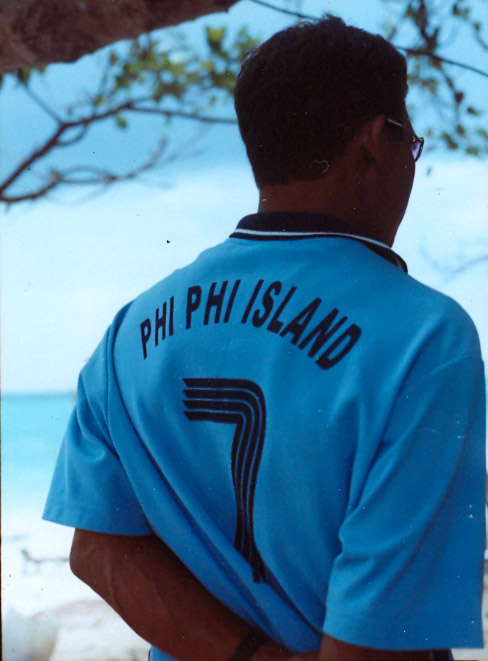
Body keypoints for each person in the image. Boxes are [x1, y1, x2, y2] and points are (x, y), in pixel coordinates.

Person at [43, 16, 486, 661]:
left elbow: (99, 548)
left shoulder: (130, 332)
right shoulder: (425, 339)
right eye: (409, 145)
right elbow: (377, 642)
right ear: (372, 143)